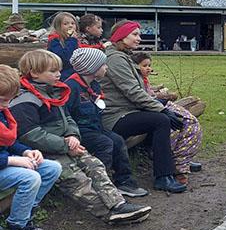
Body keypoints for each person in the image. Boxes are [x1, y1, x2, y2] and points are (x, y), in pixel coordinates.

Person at [10, 50, 151, 224]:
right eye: (52, 71)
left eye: (58, 70)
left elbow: (68, 117)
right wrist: (65, 144)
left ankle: (118, 204)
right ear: (35, 73)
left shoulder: (54, 92)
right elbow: (30, 135)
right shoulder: (25, 100)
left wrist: (72, 134)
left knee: (95, 165)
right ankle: (106, 213)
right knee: (75, 178)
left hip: (65, 143)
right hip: (42, 151)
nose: (59, 74)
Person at [100, 20, 187, 193]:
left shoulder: (122, 56)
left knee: (162, 117)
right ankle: (163, 176)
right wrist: (161, 109)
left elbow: (137, 91)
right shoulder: (115, 59)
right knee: (160, 120)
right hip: (115, 117)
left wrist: (159, 105)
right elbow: (132, 91)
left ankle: (173, 161)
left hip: (127, 111)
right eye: (135, 34)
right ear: (121, 37)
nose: (139, 38)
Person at [65, 48, 147, 197]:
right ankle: (101, 185)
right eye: (103, 65)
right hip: (79, 131)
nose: (106, 68)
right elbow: (66, 114)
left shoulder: (94, 84)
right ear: (91, 68)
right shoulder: (72, 88)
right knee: (105, 144)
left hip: (95, 126)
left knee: (117, 140)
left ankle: (125, 181)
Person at [0, 64, 61, 230]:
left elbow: (9, 143)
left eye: (9, 100)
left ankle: (24, 214)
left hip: (4, 163)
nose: (7, 105)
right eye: (3, 100)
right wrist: (13, 160)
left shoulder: (2, 112)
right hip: (3, 163)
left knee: (52, 168)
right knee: (30, 178)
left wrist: (26, 151)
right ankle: (16, 229)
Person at [131, 52, 202, 184]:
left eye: (149, 65)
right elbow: (143, 99)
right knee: (174, 126)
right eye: (144, 65)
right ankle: (176, 164)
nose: (148, 68)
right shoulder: (134, 80)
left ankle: (181, 160)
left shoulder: (143, 80)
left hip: (156, 106)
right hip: (150, 109)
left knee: (189, 123)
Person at [47, 12, 79, 80]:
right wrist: (71, 40)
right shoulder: (54, 41)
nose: (70, 26)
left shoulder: (75, 40)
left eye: (73, 23)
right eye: (65, 24)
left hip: (74, 73)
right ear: (58, 27)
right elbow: (66, 58)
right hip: (62, 75)